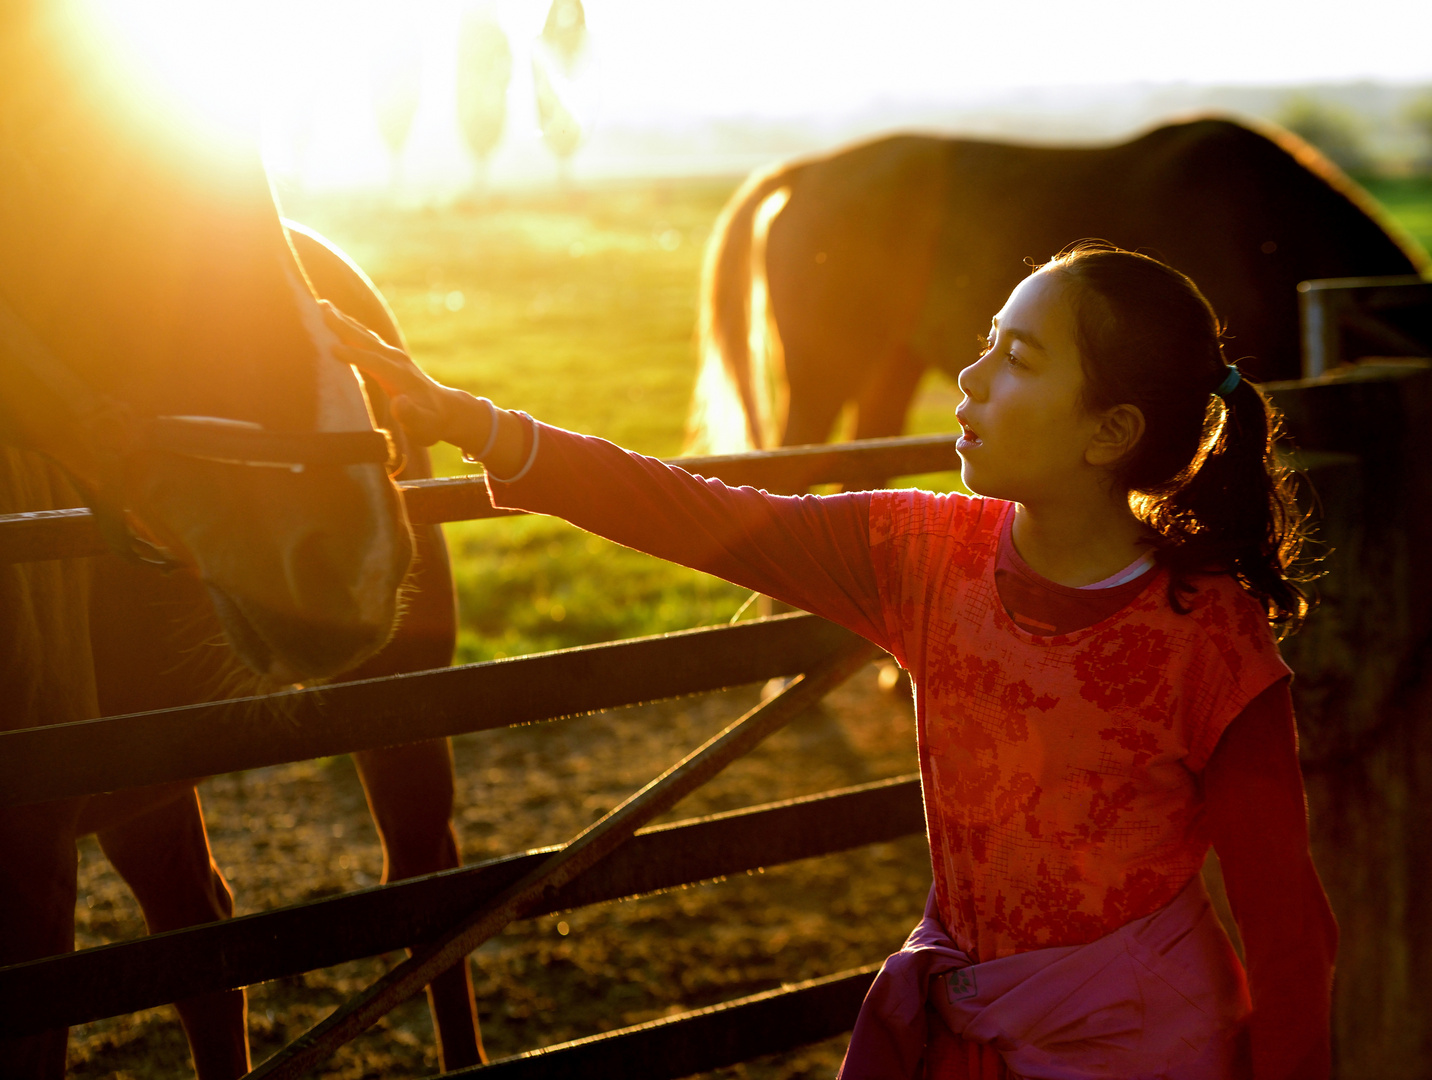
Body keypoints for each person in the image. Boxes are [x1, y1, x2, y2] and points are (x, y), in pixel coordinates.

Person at [328, 240, 1337, 1080]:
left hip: (1142, 1049)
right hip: (961, 1032)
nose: (971, 378)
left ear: (1109, 430)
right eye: (985, 344)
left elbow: (1286, 927)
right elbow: (700, 513)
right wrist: (470, 422)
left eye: (1021, 359)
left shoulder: (1207, 636)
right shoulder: (922, 556)